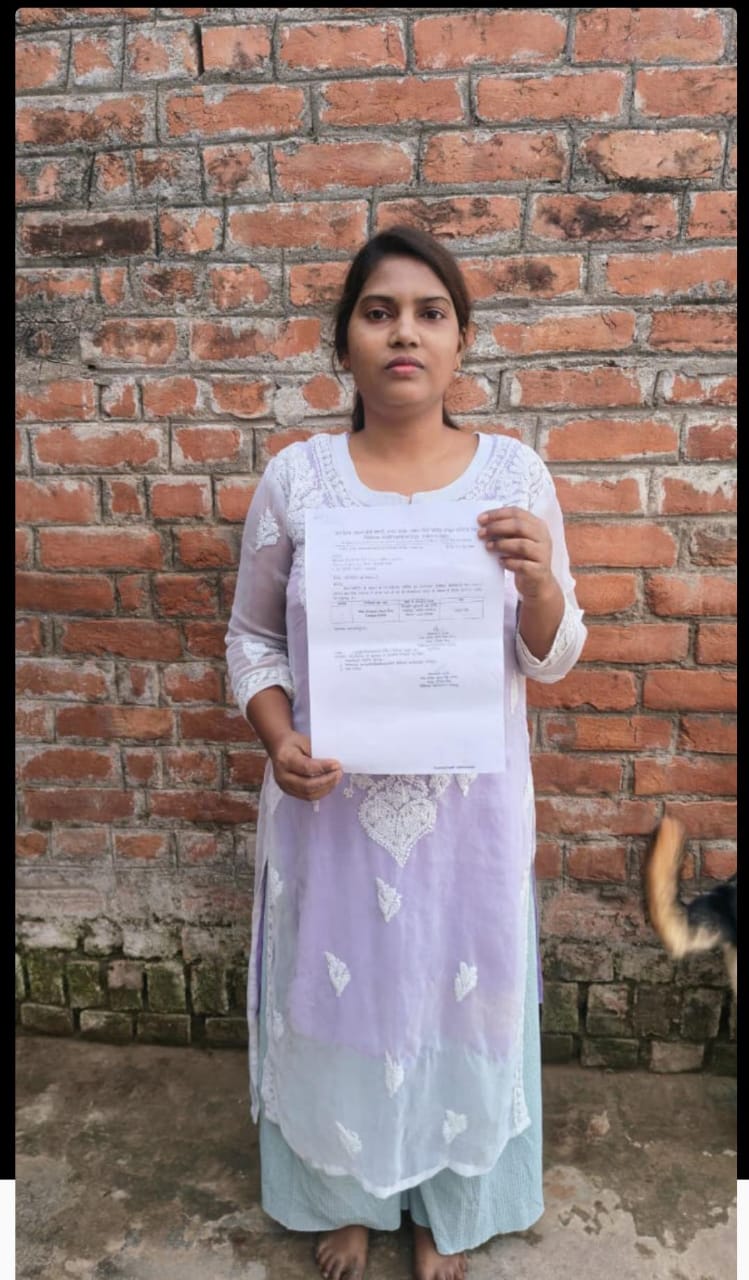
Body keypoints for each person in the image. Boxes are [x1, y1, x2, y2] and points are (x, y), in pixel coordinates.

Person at [225, 225, 587, 1280]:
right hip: (330, 808)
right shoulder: (298, 481)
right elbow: (250, 639)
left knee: (458, 991)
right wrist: (280, 738)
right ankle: (346, 1190)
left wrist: (539, 582)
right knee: (343, 990)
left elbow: (553, 656)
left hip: (467, 812)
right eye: (378, 312)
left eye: (430, 314)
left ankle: (444, 1200)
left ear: (461, 341)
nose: (403, 333)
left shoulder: (512, 475)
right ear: (342, 341)